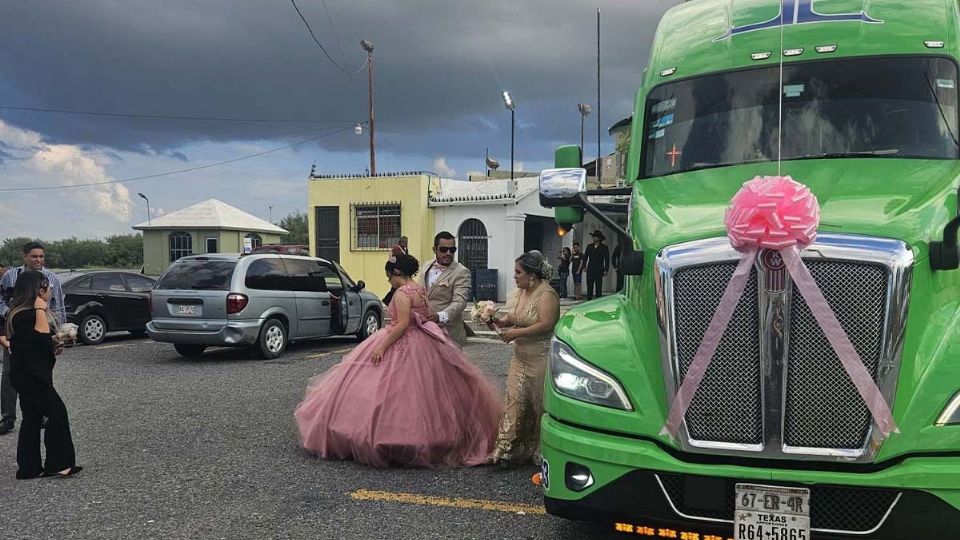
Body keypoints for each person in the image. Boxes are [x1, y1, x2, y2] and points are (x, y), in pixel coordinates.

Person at [294, 254, 502, 468]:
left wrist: (382, 346)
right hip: (424, 341)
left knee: (393, 391)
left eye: (388, 276)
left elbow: (402, 325)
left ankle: (394, 438)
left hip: (403, 339)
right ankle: (434, 435)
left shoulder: (402, 293)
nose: (388, 281)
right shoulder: (420, 289)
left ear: (395, 273)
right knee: (427, 392)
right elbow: (424, 313)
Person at [6, 270, 81, 479]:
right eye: (45, 287)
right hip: (31, 377)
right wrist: (40, 307)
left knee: (32, 418)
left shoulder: (22, 313)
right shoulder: (25, 314)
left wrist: (55, 345)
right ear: (37, 291)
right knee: (57, 413)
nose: (49, 291)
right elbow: (39, 336)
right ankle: (60, 464)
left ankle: (29, 468)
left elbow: (38, 344)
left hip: (28, 374)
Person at [489, 251, 561, 465]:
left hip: (540, 357)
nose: (514, 276)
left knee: (538, 405)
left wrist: (515, 334)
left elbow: (546, 324)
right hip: (520, 358)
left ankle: (538, 449)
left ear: (531, 275)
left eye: (518, 272)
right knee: (514, 401)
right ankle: (505, 449)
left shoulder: (546, 294)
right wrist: (502, 321)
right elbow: (516, 315)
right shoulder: (522, 292)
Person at [0, 242, 65, 436]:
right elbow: (1, 299)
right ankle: (7, 417)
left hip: (42, 332)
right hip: (17, 331)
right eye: (34, 256)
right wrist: (9, 313)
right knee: (11, 374)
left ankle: (44, 412)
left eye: (41, 257)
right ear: (25, 256)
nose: (38, 260)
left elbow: (59, 306)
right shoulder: (10, 276)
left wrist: (60, 333)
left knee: (42, 373)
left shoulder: (51, 278)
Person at [421, 231, 472, 348]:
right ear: (434, 249)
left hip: (449, 334)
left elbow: (460, 301)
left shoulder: (461, 272)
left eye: (452, 250)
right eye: (443, 249)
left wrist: (441, 316)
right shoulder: (426, 266)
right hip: (425, 332)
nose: (448, 253)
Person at [580, 231, 610, 300]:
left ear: (599, 238)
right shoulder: (589, 246)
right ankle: (589, 300)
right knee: (589, 286)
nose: (593, 238)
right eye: (593, 236)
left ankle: (598, 301)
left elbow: (607, 259)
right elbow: (585, 257)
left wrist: (606, 269)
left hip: (599, 269)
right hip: (590, 269)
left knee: (598, 287)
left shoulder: (604, 247)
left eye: (595, 237)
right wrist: (584, 266)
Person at [382, 237, 411, 306]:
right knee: (395, 287)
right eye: (405, 242)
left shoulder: (405, 249)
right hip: (397, 270)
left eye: (407, 242)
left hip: (402, 270)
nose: (406, 243)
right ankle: (388, 300)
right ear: (401, 242)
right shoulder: (396, 249)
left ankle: (390, 300)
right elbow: (394, 259)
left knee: (397, 288)